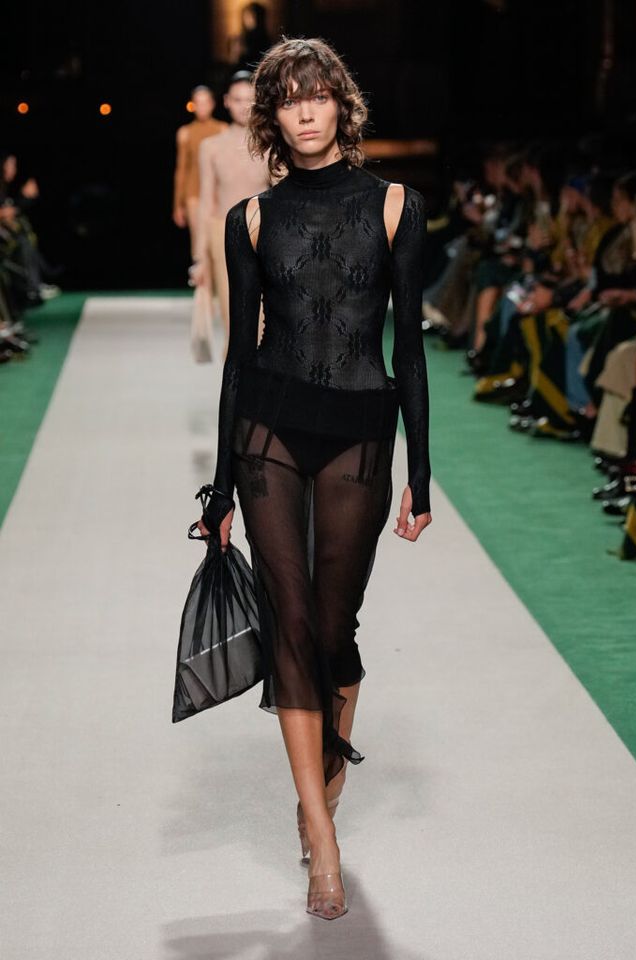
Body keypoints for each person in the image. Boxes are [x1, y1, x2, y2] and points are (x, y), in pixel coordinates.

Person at [194, 37, 433, 920]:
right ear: (272, 114)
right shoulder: (252, 219)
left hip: (360, 431)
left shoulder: (397, 205)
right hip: (270, 433)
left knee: (334, 629)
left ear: (341, 106)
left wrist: (422, 473)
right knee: (290, 625)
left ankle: (326, 780)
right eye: (288, 97)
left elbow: (410, 350)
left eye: (318, 94)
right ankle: (320, 833)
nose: (304, 110)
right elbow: (239, 359)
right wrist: (221, 487)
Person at [192, 71, 271, 351]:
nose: (243, 106)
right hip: (223, 235)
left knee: (266, 321)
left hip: (264, 234)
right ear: (226, 101)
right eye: (237, 100)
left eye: (250, 100)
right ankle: (236, 378)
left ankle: (260, 377)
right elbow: (206, 201)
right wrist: (199, 257)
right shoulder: (210, 147)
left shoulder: (271, 145)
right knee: (234, 319)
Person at [173, 86, 228, 258]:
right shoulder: (185, 133)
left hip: (217, 194)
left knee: (218, 240)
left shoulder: (222, 129)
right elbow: (181, 169)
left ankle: (218, 275)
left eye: (205, 102)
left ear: (212, 104)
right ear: (193, 105)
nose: (202, 107)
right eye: (198, 103)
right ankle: (201, 274)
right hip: (193, 193)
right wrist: (177, 204)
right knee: (198, 243)